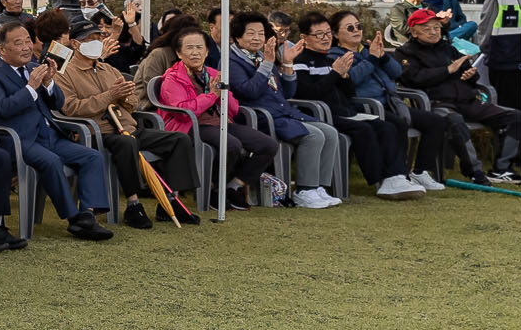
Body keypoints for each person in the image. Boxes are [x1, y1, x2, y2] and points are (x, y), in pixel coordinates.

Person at [51, 12, 198, 226]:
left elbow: (133, 102)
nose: (96, 43)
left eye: (98, 39)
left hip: (127, 125)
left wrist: (126, 96)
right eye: (89, 40)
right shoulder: (64, 74)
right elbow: (71, 108)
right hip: (98, 132)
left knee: (179, 139)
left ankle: (171, 200)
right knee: (127, 143)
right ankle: (133, 204)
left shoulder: (107, 69)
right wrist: (109, 96)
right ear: (74, 44)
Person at [0, 18, 115, 240]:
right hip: (19, 140)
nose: (26, 47)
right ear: (2, 49)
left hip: (50, 134)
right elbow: (2, 109)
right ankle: (74, 218)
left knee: (92, 156)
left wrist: (50, 83)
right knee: (51, 161)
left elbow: (58, 104)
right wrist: (31, 87)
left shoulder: (35, 67)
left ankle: (88, 214)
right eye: (18, 43)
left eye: (28, 41)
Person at [286, 12, 423, 197]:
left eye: (327, 33)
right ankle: (380, 179)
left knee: (387, 126)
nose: (325, 38)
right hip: (320, 115)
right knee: (363, 130)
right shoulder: (300, 61)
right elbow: (310, 94)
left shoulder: (330, 60)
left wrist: (343, 76)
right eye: (319, 34)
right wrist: (335, 73)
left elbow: (348, 91)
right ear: (304, 37)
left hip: (343, 110)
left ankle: (395, 177)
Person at [156, 26, 278, 208]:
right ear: (179, 53)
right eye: (189, 48)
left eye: (199, 48)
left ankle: (233, 186)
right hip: (190, 126)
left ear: (206, 51)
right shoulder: (172, 78)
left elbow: (234, 109)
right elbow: (182, 112)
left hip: (219, 122)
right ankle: (213, 189)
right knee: (231, 145)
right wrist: (212, 95)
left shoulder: (214, 74)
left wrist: (224, 94)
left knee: (267, 145)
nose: (195, 52)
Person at [395, 9, 519, 185]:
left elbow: (467, 70)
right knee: (455, 121)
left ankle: (501, 168)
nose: (433, 32)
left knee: (515, 117)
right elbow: (414, 78)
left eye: (436, 27)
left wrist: (470, 74)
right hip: (438, 103)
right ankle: (475, 172)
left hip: (468, 100)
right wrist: (447, 70)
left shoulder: (448, 48)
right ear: (414, 32)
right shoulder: (405, 53)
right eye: (427, 29)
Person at [229, 16, 339, 207]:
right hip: (260, 117)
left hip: (282, 112)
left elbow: (287, 93)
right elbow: (250, 91)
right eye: (251, 33)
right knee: (313, 136)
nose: (257, 38)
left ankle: (319, 187)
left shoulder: (263, 56)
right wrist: (268, 64)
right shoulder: (232, 61)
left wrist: (287, 64)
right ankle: (305, 189)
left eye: (261, 33)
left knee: (330, 132)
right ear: (238, 37)